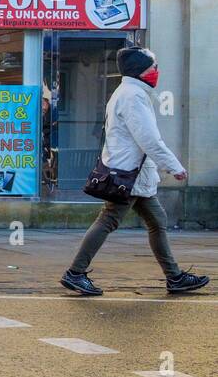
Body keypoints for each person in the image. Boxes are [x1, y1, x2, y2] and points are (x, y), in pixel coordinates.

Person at [62, 47, 209, 296]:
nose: (157, 72)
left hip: (134, 174)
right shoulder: (133, 96)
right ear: (140, 71)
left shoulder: (131, 92)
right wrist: (174, 166)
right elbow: (148, 139)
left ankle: (174, 276)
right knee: (109, 219)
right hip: (128, 174)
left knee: (157, 221)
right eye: (153, 67)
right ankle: (75, 272)